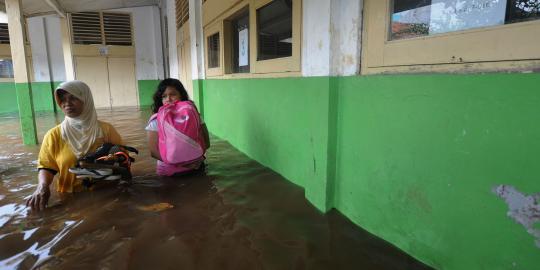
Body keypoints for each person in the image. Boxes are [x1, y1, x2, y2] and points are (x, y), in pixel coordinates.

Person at [26, 80, 123, 211]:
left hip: (106, 196)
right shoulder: (54, 135)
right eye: (62, 99)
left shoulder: (106, 130)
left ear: (86, 99)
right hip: (70, 198)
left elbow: (123, 158)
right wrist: (42, 186)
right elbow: (47, 167)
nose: (66, 103)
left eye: (73, 98)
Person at [146, 78, 210, 176]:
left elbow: (206, 142)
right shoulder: (156, 120)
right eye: (164, 96)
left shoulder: (194, 115)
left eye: (173, 94)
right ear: (160, 99)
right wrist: (184, 163)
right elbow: (153, 152)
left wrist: (199, 159)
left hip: (196, 167)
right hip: (170, 173)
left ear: (181, 95)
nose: (168, 99)